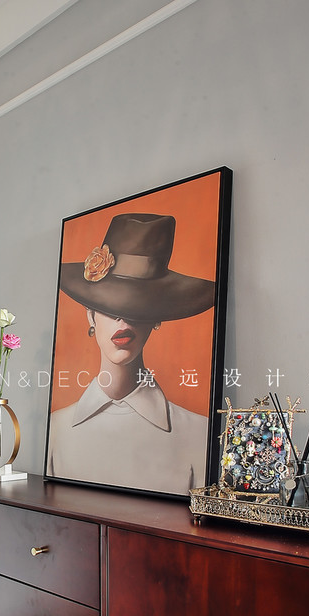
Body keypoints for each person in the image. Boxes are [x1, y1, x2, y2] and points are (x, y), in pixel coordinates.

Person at [46, 212, 215, 495]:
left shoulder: (200, 434)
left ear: (157, 318)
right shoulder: (55, 431)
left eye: (138, 307)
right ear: (90, 314)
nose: (122, 320)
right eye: (109, 305)